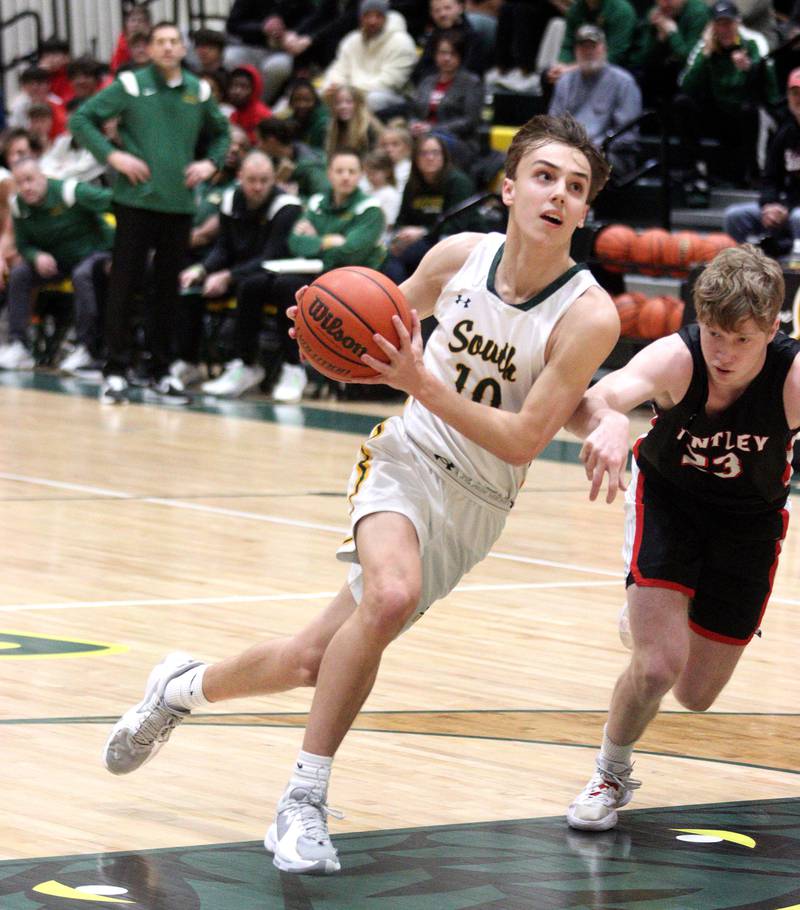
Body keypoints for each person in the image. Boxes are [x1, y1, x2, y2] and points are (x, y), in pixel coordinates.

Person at [99, 113, 619, 875]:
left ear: (583, 211)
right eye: (545, 177)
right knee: (389, 595)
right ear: (508, 188)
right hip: (405, 460)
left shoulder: (589, 315)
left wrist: (424, 382)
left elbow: (520, 440)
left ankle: (180, 688)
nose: (559, 195)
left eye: (576, 188)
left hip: (477, 503)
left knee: (314, 657)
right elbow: (376, 325)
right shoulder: (455, 259)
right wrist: (323, 325)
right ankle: (301, 802)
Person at [564, 243, 799, 832]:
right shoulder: (677, 358)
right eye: (715, 334)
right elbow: (597, 397)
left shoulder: (793, 378)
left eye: (742, 339)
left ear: (772, 328)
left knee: (696, 695)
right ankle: (610, 772)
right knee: (656, 668)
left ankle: (652, 620)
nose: (724, 353)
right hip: (669, 503)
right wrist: (613, 420)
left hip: (750, 523)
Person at [70, 21, 230, 406]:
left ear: (182, 48)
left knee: (166, 292)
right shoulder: (129, 86)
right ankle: (115, 371)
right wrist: (114, 156)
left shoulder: (199, 90)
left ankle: (159, 370)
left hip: (179, 205)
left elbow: (223, 134)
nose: (167, 47)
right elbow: (81, 119)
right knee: (124, 286)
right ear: (149, 48)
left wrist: (211, 163)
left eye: (174, 41)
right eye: (160, 41)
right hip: (135, 203)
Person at [177, 150, 301, 398]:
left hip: (272, 275)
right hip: (239, 271)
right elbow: (223, 247)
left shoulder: (286, 206)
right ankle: (188, 362)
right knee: (190, 287)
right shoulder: (229, 200)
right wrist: (203, 269)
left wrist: (228, 276)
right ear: (240, 177)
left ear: (273, 179)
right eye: (252, 180)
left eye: (264, 180)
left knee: (252, 286)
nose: (257, 187)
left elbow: (271, 256)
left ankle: (257, 365)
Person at [0, 157, 113, 373]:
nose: (26, 187)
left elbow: (112, 201)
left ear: (43, 177)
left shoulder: (70, 191)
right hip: (56, 263)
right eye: (20, 183)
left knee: (82, 275)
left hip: (94, 255)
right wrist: (36, 256)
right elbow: (23, 245)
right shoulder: (18, 206)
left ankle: (86, 349)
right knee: (20, 273)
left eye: (30, 180)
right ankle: (19, 346)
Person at [675, 0, 779, 200]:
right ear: (713, 25)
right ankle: (697, 170)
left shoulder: (754, 42)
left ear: (737, 23)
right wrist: (705, 56)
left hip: (746, 114)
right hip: (718, 114)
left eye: (728, 24)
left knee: (751, 109)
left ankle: (755, 174)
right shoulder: (705, 44)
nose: (724, 29)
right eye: (720, 24)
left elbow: (770, 88)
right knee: (683, 103)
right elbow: (686, 84)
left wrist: (750, 69)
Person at [724, 67, 800, 255]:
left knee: (799, 218)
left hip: (794, 210)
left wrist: (786, 209)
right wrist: (769, 205)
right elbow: (770, 178)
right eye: (795, 93)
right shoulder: (785, 133)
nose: (799, 99)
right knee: (735, 216)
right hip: (787, 207)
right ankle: (743, 269)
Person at [382, 133, 475, 284]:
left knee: (398, 259)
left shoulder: (458, 182)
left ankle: (403, 300)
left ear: (444, 156)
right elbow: (402, 219)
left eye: (435, 153)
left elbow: (457, 224)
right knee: (387, 253)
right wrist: (399, 236)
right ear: (415, 158)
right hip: (423, 240)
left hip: (453, 240)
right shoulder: (412, 185)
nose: (430, 157)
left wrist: (422, 232)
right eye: (424, 153)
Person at [548, 25, 642, 175]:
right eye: (583, 47)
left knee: (579, 163)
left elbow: (627, 135)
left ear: (604, 48)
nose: (588, 51)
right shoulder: (564, 82)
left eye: (593, 46)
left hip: (610, 154)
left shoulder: (624, 82)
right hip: (568, 150)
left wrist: (593, 148)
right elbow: (553, 125)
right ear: (576, 51)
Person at [321, 0, 418, 115]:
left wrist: (348, 91)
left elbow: (389, 82)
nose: (372, 21)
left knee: (373, 99)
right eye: (367, 16)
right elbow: (338, 69)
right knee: (323, 94)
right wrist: (333, 87)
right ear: (361, 19)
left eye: (378, 16)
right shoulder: (352, 40)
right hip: (353, 92)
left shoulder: (402, 42)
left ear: (386, 18)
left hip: (396, 98)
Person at [408, 28, 485, 167]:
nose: (446, 58)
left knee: (433, 141)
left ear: (460, 56)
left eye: (452, 53)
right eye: (442, 53)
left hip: (459, 141)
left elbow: (470, 121)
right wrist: (414, 125)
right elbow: (414, 112)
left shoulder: (471, 82)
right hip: (424, 135)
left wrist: (433, 129)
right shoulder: (427, 81)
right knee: (396, 136)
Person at [631, 0, 710, 108]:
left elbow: (690, 60)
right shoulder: (657, 13)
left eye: (669, 0)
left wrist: (672, 33)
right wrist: (658, 39)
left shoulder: (698, 13)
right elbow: (643, 57)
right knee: (637, 77)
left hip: (689, 74)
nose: (663, 4)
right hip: (664, 70)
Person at [324, 84, 383, 159]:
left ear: (359, 104)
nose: (343, 107)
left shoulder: (369, 128)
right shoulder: (334, 127)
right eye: (338, 103)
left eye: (348, 102)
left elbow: (375, 159)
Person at [227, 65, 273, 143]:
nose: (237, 91)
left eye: (244, 87)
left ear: (255, 89)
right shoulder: (235, 114)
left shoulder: (262, 114)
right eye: (234, 85)